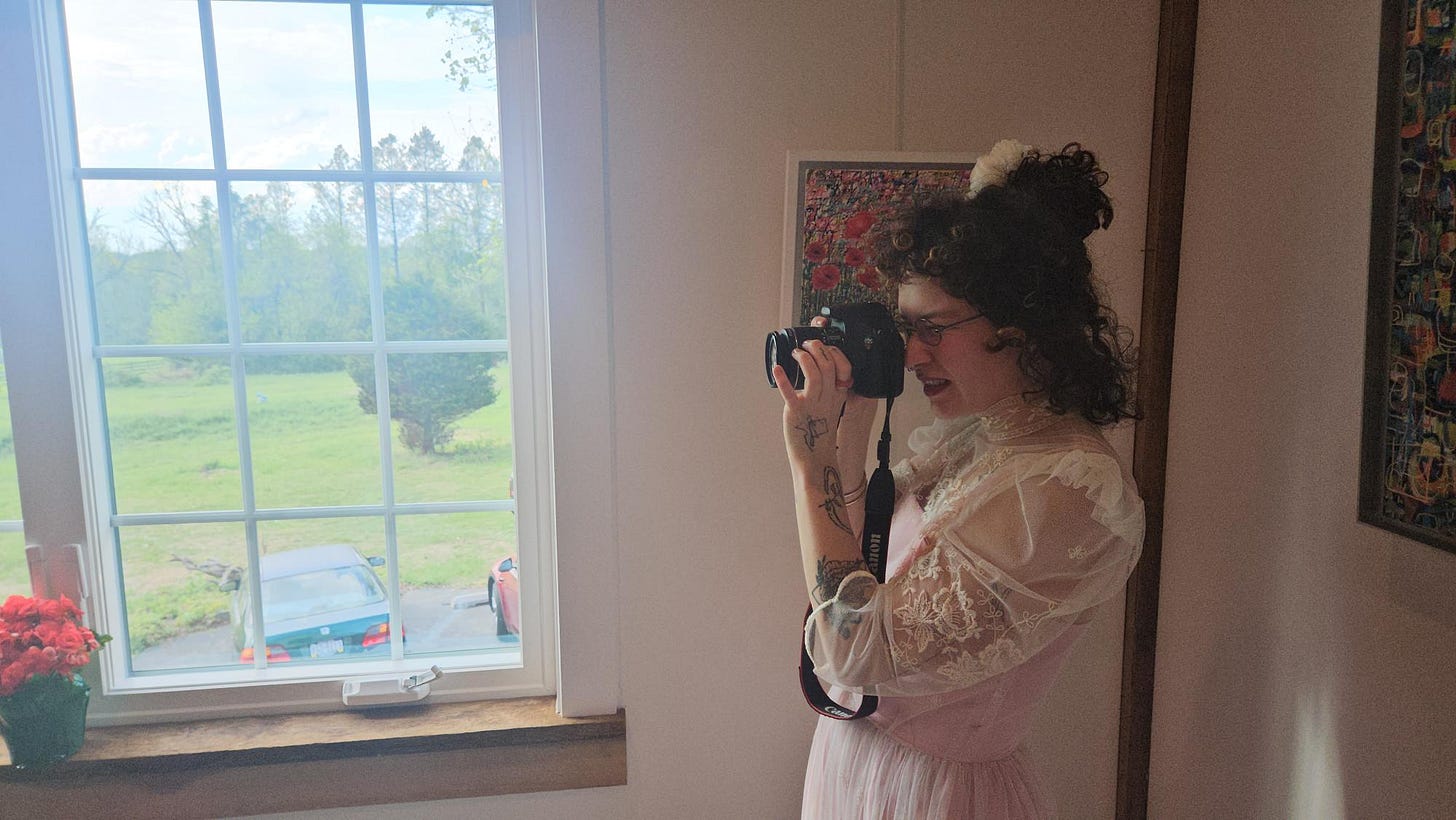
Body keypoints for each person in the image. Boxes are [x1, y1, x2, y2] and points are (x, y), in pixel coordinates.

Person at [772, 140, 1146, 819]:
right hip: (855, 766)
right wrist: (846, 437)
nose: (912, 354)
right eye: (907, 328)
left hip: (939, 797)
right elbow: (859, 569)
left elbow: (853, 653)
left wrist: (810, 466)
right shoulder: (977, 442)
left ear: (1023, 325)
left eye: (934, 328)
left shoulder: (1067, 490)